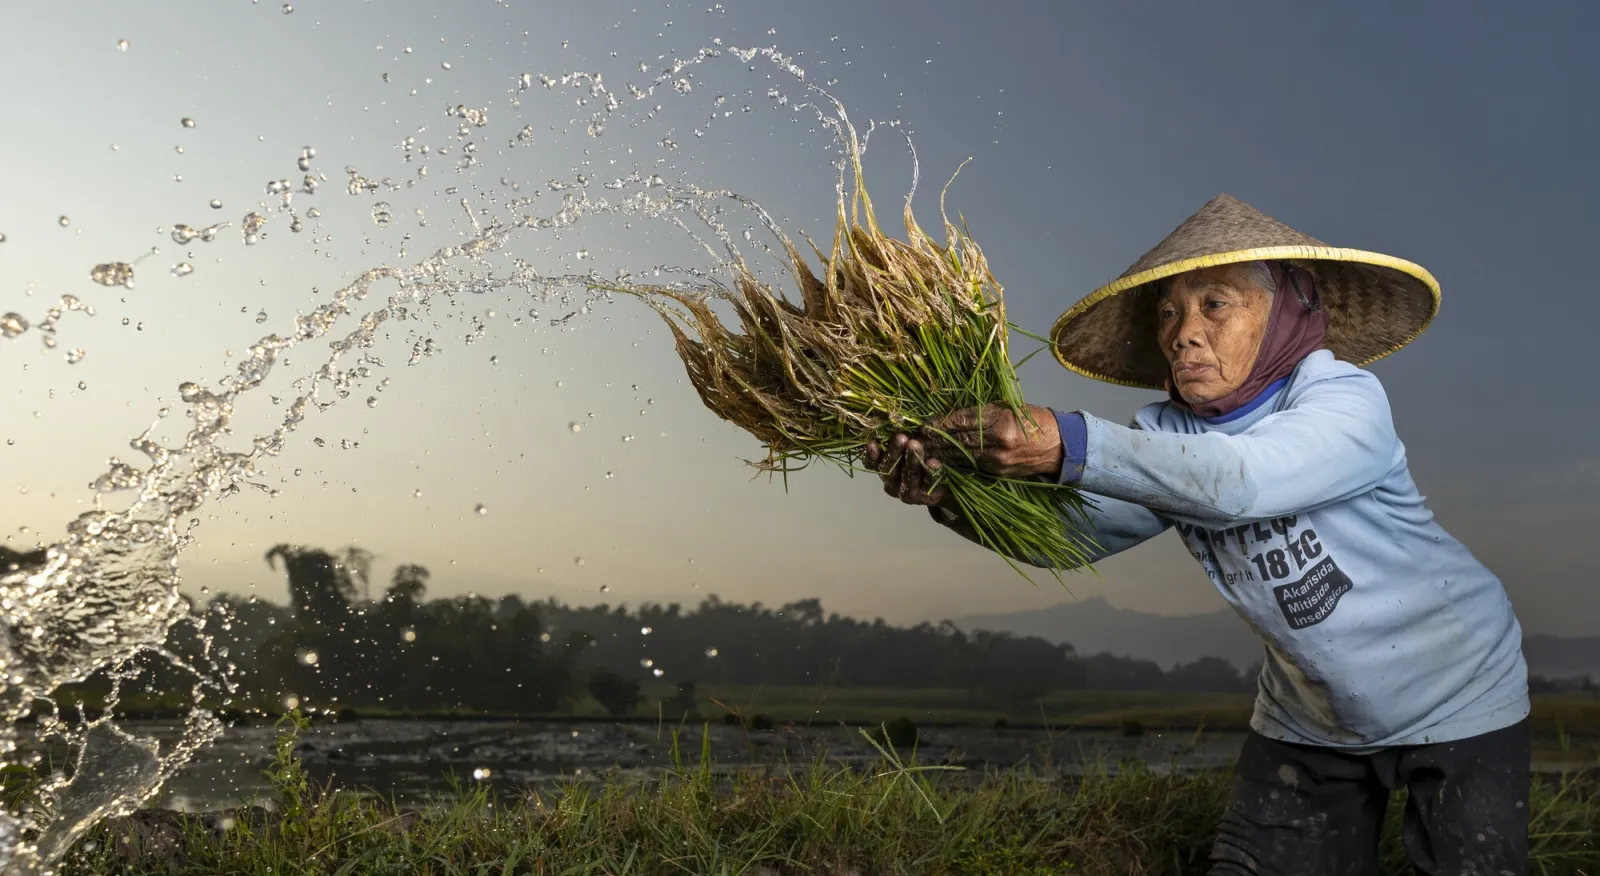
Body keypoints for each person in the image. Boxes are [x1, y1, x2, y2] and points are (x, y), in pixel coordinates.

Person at [866, 194, 1530, 875]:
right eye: (1168, 313)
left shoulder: (1344, 400)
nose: (1185, 332)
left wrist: (1067, 441)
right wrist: (955, 498)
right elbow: (1068, 537)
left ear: (1288, 311)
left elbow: (1243, 481)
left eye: (1215, 303)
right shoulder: (1168, 435)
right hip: (1311, 717)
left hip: (1458, 688)